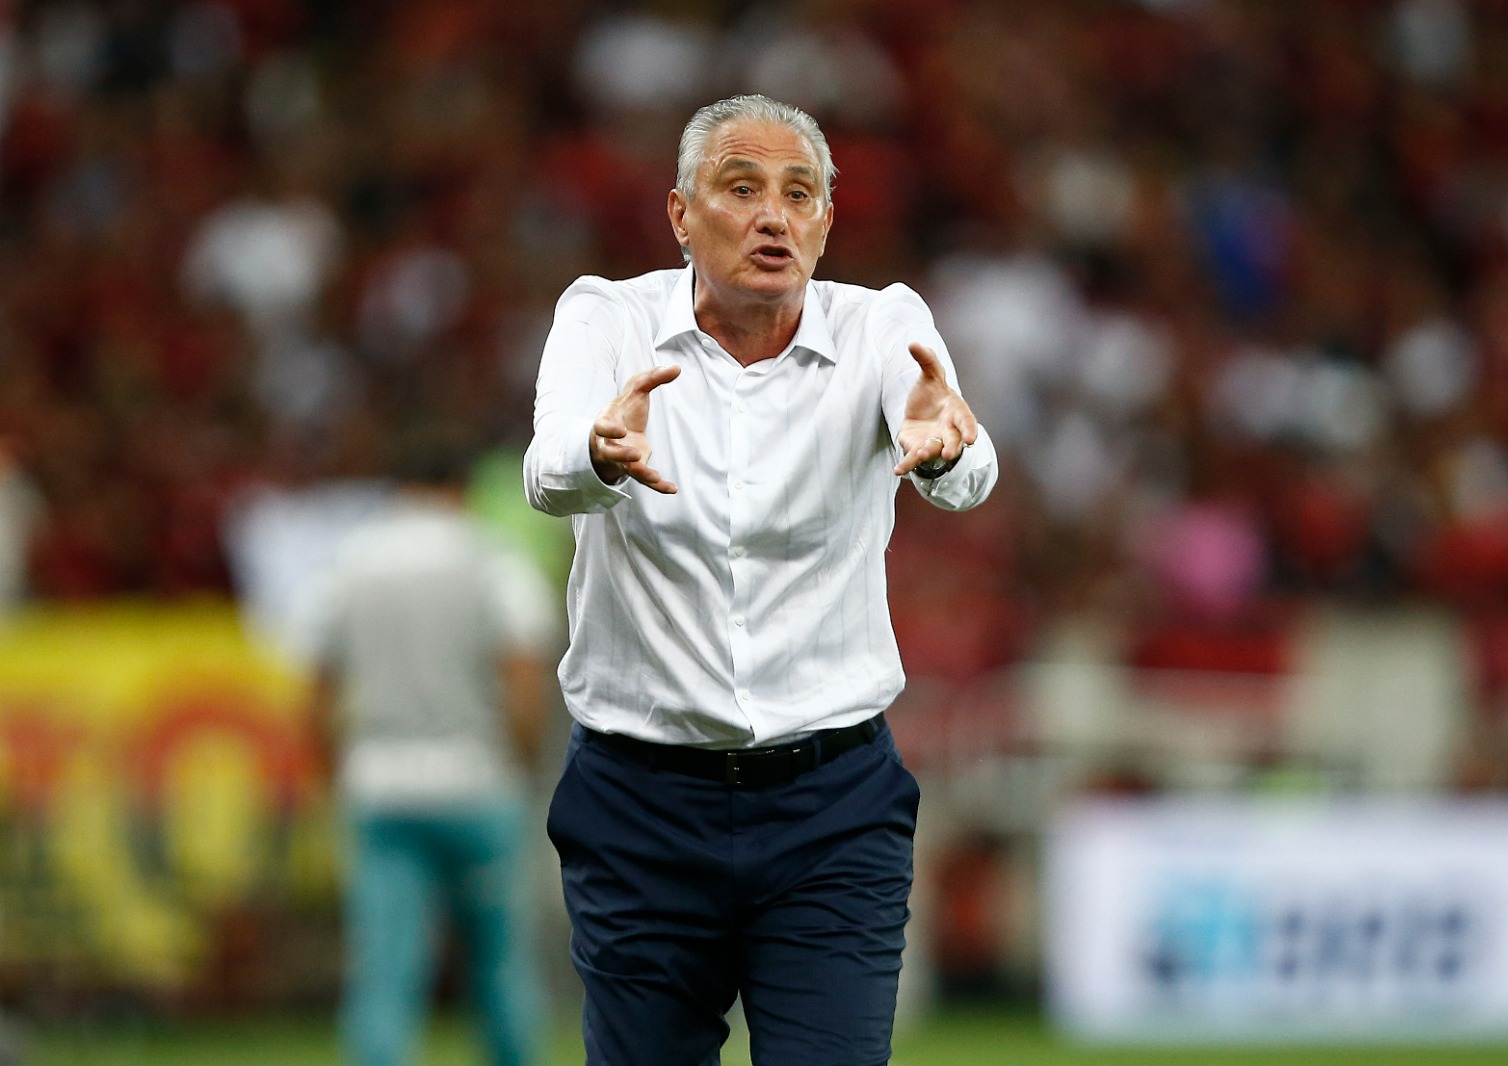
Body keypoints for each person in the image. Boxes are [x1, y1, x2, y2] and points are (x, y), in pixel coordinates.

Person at [523, 94, 999, 1065]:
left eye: (800, 193)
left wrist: (946, 448)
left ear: (826, 219)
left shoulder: (882, 327)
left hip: (830, 804)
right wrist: (599, 453)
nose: (773, 216)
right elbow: (548, 473)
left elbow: (963, 458)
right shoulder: (604, 317)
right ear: (679, 214)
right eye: (740, 188)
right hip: (637, 800)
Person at [305, 432, 558, 1066]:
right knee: (500, 966)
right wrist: (520, 768)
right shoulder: (490, 558)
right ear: (462, 486)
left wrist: (332, 770)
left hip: (380, 782)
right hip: (477, 781)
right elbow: (524, 677)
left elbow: (317, 686)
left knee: (384, 972)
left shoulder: (353, 560)